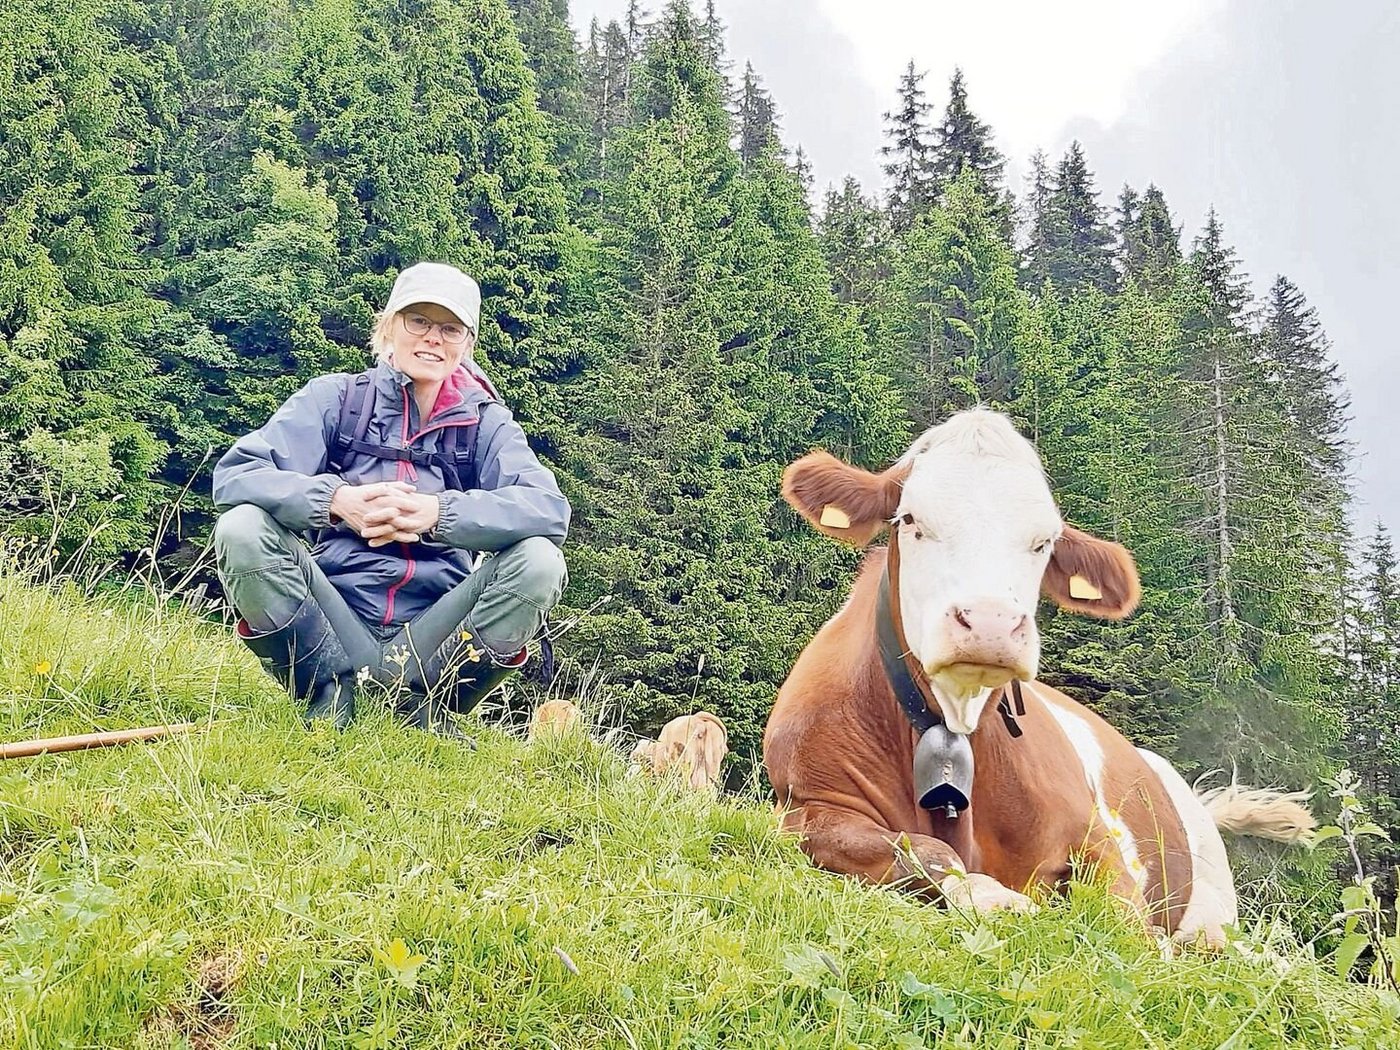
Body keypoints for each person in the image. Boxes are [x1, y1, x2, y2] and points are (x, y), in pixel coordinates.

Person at [211, 262, 569, 739]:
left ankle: (427, 708)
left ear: (467, 344)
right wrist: (336, 501)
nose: (432, 338)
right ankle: (329, 695)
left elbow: (549, 509)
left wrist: (439, 515)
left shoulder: (486, 424)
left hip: (436, 636)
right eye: (417, 321)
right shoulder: (336, 399)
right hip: (334, 622)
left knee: (541, 560)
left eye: (450, 328)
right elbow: (236, 476)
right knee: (242, 529)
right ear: (388, 325)